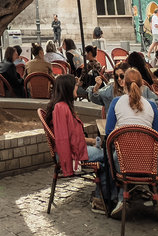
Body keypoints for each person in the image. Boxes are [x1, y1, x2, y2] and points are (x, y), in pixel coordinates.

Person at [102, 69, 158, 223]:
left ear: (124, 84)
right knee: (157, 160)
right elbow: (157, 134)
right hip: (151, 163)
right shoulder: (152, 106)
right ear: (142, 85)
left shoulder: (116, 102)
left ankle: (121, 198)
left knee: (118, 158)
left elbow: (109, 132)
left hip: (122, 162)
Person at [48, 74, 112, 211]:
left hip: (76, 150)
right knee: (109, 156)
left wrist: (91, 141)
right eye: (75, 85)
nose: (78, 87)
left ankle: (101, 196)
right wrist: (69, 164)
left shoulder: (63, 106)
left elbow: (71, 136)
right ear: (68, 88)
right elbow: (63, 139)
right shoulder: (61, 107)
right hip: (72, 154)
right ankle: (103, 198)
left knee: (104, 160)